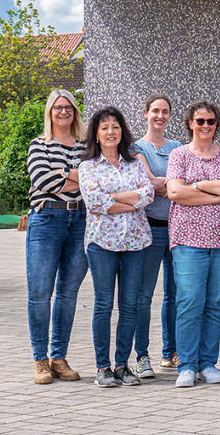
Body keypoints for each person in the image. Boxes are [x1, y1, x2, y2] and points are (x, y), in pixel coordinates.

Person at [165, 101, 220, 387]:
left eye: (210, 121)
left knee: (215, 302)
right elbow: (175, 192)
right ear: (190, 123)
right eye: (200, 121)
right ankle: (187, 365)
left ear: (217, 125)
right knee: (190, 301)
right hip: (188, 239)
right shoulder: (179, 154)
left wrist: (199, 185)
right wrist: (218, 194)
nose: (205, 126)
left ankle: (207, 363)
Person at [78, 105, 156, 388]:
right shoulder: (88, 167)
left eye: (115, 126)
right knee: (103, 304)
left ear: (122, 131)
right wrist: (131, 200)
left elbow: (148, 194)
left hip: (135, 241)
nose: (110, 132)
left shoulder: (135, 163)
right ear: (96, 134)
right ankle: (103, 367)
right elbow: (94, 202)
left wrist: (113, 197)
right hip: (101, 243)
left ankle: (122, 365)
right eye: (104, 128)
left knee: (129, 305)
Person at [26, 89, 87, 385]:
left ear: (75, 112)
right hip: (47, 219)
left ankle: (59, 358)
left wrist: (63, 173)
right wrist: (77, 175)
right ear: (50, 112)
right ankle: (40, 360)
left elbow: (95, 180)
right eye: (58, 107)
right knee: (40, 293)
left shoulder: (86, 146)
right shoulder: (39, 144)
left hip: (81, 221)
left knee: (68, 292)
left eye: (69, 107)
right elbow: (42, 180)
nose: (64, 112)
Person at [130, 94, 178, 380]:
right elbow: (148, 183)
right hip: (150, 229)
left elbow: (176, 184)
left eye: (165, 111)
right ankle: (141, 356)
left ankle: (170, 353)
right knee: (144, 294)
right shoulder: (137, 148)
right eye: (155, 111)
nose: (160, 116)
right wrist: (173, 186)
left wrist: (168, 185)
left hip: (179, 228)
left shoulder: (177, 148)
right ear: (146, 113)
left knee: (176, 294)